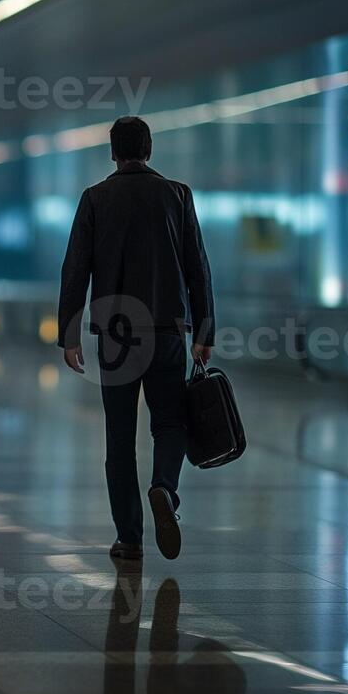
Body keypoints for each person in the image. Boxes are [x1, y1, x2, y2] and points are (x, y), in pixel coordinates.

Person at [57, 116, 215, 560]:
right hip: (167, 330)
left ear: (113, 152)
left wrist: (69, 333)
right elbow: (197, 267)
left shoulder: (95, 199)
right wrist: (205, 330)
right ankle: (164, 487)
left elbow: (75, 268)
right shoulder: (177, 195)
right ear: (149, 149)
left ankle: (129, 537)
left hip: (116, 334)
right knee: (170, 423)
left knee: (120, 435)